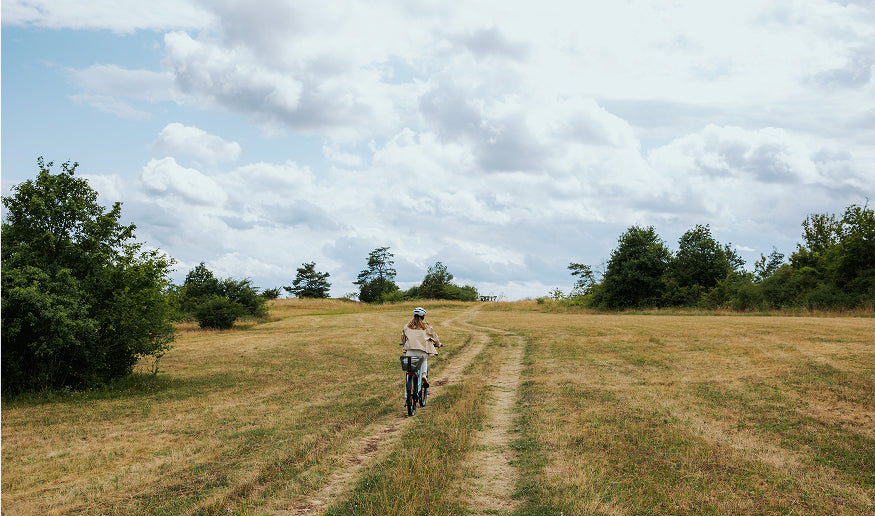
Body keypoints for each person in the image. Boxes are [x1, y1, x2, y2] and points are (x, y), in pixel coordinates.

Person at [400, 307, 442, 389]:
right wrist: (438, 344)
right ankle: (424, 375)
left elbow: (403, 338)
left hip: (409, 352)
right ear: (423, 317)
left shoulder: (407, 326)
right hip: (422, 351)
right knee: (424, 361)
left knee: (409, 370)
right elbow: (435, 338)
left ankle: (407, 394)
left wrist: (405, 344)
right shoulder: (427, 327)